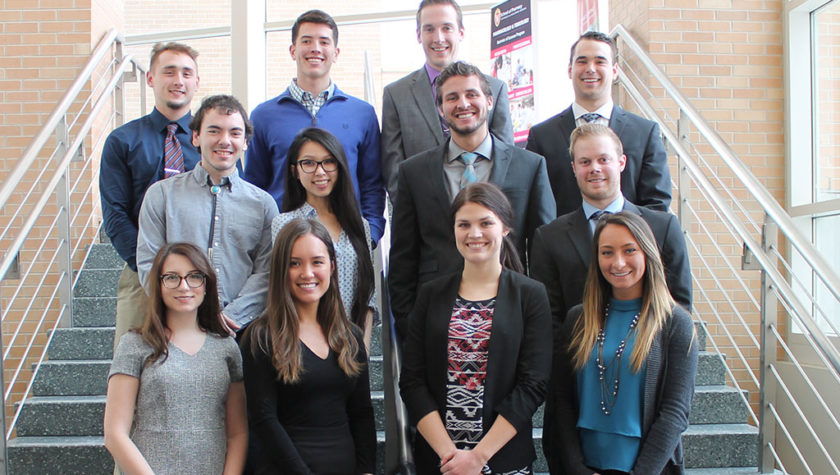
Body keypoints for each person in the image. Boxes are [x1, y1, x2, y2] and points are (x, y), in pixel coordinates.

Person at [530, 124, 691, 474]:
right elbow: (551, 325)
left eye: (603, 158)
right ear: (572, 167)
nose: (595, 168)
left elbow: (679, 307)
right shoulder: (548, 237)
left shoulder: (663, 226)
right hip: (581, 427)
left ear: (621, 162)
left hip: (644, 431)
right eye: (584, 161)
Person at [389, 61, 555, 340]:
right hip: (436, 317)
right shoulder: (413, 172)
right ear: (440, 109)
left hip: (511, 314)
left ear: (489, 101)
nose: (463, 103)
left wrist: (537, 317)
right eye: (451, 98)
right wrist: (408, 322)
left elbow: (543, 251)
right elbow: (403, 256)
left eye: (471, 95)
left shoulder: (530, 166)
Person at [400, 183, 551, 474]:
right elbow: (412, 382)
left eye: (486, 223)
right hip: (440, 462)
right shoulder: (430, 294)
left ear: (505, 227)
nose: (475, 234)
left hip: (504, 460)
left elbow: (533, 385)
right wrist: (451, 458)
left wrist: (478, 458)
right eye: (464, 224)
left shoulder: (530, 295)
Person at [552, 212, 698, 475]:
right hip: (584, 466)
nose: (618, 263)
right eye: (607, 252)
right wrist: (577, 469)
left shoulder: (676, 323)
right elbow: (561, 402)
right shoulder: (578, 319)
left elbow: (675, 412)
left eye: (629, 250)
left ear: (647, 253)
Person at [241, 218, 376, 474]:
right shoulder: (261, 337)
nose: (307, 273)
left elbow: (362, 413)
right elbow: (264, 419)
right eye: (294, 263)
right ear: (281, 270)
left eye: (317, 262)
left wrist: (367, 470)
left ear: (332, 266)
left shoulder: (350, 337)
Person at [136, 95, 277, 334]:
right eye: (214, 131)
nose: (225, 140)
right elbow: (149, 263)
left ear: (245, 142)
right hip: (178, 329)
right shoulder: (161, 196)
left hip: (243, 330)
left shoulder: (263, 204)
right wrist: (188, 312)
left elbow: (268, 271)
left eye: (234, 133)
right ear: (196, 137)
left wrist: (233, 316)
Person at [104, 242, 247, 474]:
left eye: (194, 277)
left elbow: (237, 433)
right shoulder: (134, 345)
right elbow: (115, 434)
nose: (184, 286)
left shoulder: (226, 348)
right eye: (172, 277)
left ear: (206, 283)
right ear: (158, 285)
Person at [244, 9, 386, 243]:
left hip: (347, 239)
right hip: (284, 244)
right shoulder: (263, 116)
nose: (315, 49)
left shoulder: (362, 114)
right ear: (293, 50)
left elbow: (372, 183)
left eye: (324, 42)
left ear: (336, 52)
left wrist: (369, 234)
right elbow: (254, 187)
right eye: (306, 41)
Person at [100, 42, 201, 350]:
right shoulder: (122, 141)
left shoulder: (212, 142)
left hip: (201, 276)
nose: (178, 80)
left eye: (186, 73)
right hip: (141, 273)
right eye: (168, 71)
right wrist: (154, 271)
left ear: (197, 82)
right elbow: (115, 215)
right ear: (151, 79)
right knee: (132, 366)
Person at [526, 31, 671, 217]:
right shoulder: (542, 137)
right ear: (570, 70)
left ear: (615, 70)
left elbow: (657, 204)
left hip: (629, 241)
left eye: (600, 61)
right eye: (582, 61)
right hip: (563, 244)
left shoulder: (645, 132)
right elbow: (536, 206)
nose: (591, 69)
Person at [381, 0, 513, 203]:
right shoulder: (396, 95)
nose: (438, 38)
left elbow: (506, 164)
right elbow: (394, 173)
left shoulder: (495, 88)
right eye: (429, 29)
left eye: (446, 28)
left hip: (486, 217)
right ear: (419, 35)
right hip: (426, 222)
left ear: (460, 32)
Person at [271, 127, 377, 350]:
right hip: (305, 347)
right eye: (308, 163)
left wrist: (362, 352)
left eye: (328, 162)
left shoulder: (360, 226)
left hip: (351, 346)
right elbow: (281, 294)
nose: (320, 172)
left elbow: (368, 297)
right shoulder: (284, 224)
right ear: (294, 171)